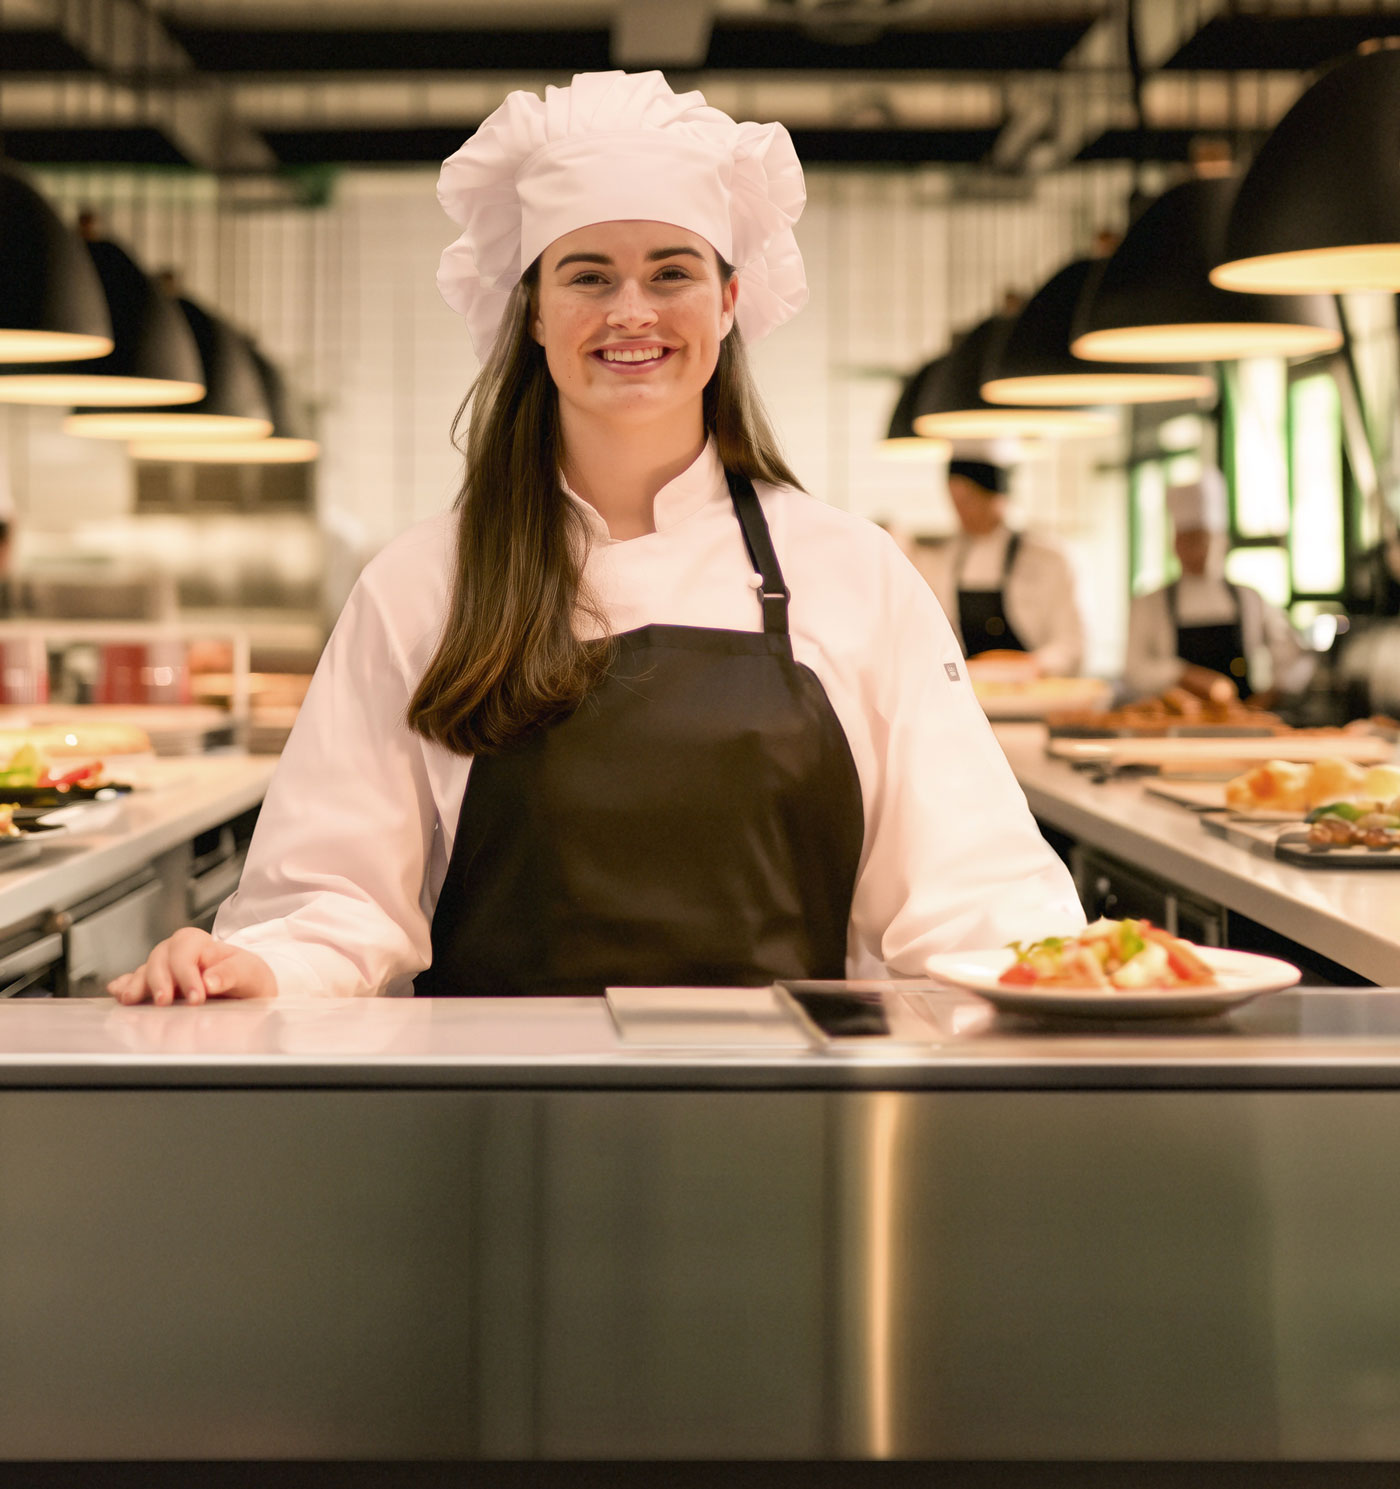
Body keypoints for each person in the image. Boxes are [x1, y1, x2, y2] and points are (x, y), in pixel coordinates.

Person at [108, 70, 1082, 1005]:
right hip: (488, 1130)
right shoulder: (422, 583)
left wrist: (1087, 969)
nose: (630, 312)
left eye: (671, 274)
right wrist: (252, 965)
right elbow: (335, 897)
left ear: (728, 302)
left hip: (787, 1127)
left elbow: (967, 890)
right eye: (588, 275)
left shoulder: (852, 574)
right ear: (532, 308)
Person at [1124, 469, 1313, 706]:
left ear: (1220, 540)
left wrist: (1272, 694)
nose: (1195, 550)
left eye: (1202, 539)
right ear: (1174, 544)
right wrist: (1183, 675)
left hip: (1244, 717)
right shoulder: (1151, 603)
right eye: (1187, 540)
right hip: (1176, 720)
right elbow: (1134, 669)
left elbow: (1295, 657)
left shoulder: (1250, 598)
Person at [915, 459, 1085, 677]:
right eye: (954, 500)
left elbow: (1071, 647)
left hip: (1034, 694)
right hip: (969, 694)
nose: (960, 511)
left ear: (996, 497)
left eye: (968, 499)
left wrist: (1029, 667)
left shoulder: (1049, 560)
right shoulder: (942, 560)